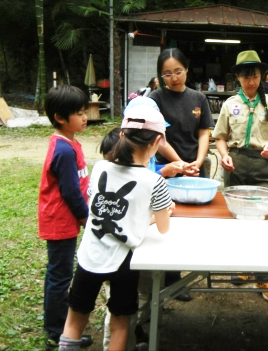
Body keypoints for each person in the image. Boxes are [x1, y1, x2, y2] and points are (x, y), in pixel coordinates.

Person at [58, 105, 174, 351]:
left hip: (89, 254)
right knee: (121, 324)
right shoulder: (155, 181)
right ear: (157, 141)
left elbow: (96, 207)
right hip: (123, 262)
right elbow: (164, 228)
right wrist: (152, 216)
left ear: (121, 135)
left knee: (75, 318)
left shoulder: (100, 168)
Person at [213, 50, 268, 303]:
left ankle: (264, 275)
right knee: (236, 217)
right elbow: (220, 137)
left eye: (254, 76)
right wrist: (224, 155)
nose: (251, 81)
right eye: (245, 77)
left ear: (262, 77)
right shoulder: (230, 104)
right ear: (238, 78)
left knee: (264, 218)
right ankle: (242, 266)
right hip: (235, 165)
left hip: (262, 164)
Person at [38, 85, 93, 350]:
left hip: (65, 218)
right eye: (80, 113)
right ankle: (57, 331)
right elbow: (70, 192)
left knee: (57, 273)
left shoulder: (68, 142)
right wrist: (85, 218)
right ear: (60, 117)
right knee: (60, 276)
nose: (85, 117)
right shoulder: (64, 150)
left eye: (85, 111)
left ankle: (56, 324)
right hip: (61, 220)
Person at [149, 48, 214, 178]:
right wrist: (180, 164)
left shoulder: (199, 98)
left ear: (186, 69)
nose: (174, 78)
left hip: (194, 168)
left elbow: (203, 134)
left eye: (178, 72)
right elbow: (157, 137)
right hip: (166, 168)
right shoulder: (155, 98)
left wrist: (198, 162)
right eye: (167, 74)